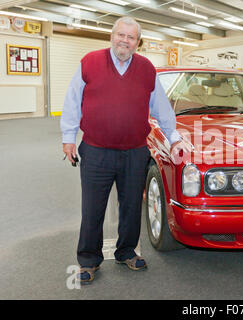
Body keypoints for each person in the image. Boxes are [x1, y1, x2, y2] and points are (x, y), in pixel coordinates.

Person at [61, 16, 188, 284]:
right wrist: (68, 137)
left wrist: (174, 138)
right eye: (121, 35)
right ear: (112, 36)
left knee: (131, 206)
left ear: (137, 43)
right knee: (92, 208)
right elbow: (72, 101)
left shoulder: (146, 69)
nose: (125, 41)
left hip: (134, 151)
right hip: (96, 151)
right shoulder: (90, 62)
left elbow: (162, 108)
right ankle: (88, 259)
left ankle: (126, 251)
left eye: (131, 37)